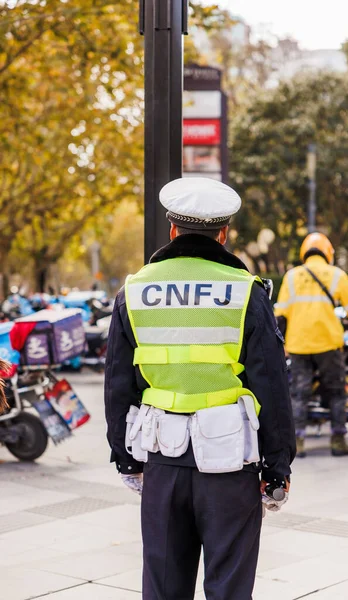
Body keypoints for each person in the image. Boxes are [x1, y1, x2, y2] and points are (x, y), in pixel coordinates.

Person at [105, 177, 295, 600]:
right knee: (229, 587)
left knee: (164, 585)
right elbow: (271, 384)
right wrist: (277, 465)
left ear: (172, 230)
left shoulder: (133, 291)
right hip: (230, 464)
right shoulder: (246, 291)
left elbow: (118, 383)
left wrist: (125, 458)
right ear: (223, 234)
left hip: (161, 459)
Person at [275, 232, 348, 458]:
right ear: (328, 253)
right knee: (336, 392)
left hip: (299, 344)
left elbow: (280, 314)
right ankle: (338, 440)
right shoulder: (337, 275)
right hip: (328, 343)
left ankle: (299, 442)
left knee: (299, 393)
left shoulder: (291, 276)